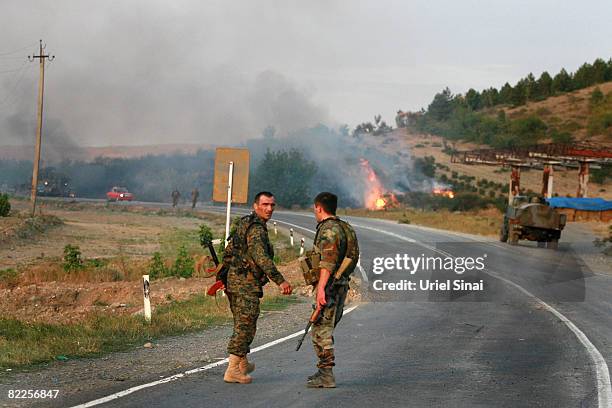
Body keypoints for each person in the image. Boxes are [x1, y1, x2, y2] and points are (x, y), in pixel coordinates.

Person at [223, 191, 293, 384]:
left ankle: (242, 363)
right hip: (245, 284)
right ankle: (232, 370)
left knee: (242, 322)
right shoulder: (256, 229)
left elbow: (229, 250)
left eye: (272, 205)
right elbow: (262, 258)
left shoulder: (245, 223)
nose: (269, 209)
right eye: (264, 204)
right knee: (246, 326)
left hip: (235, 281)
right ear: (255, 206)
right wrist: (281, 281)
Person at [307, 192, 359, 388]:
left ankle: (326, 374)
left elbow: (327, 262)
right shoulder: (345, 227)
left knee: (321, 330)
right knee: (325, 328)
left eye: (315, 208)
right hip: (340, 285)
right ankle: (323, 371)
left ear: (318, 207)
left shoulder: (329, 230)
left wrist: (321, 289)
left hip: (329, 286)